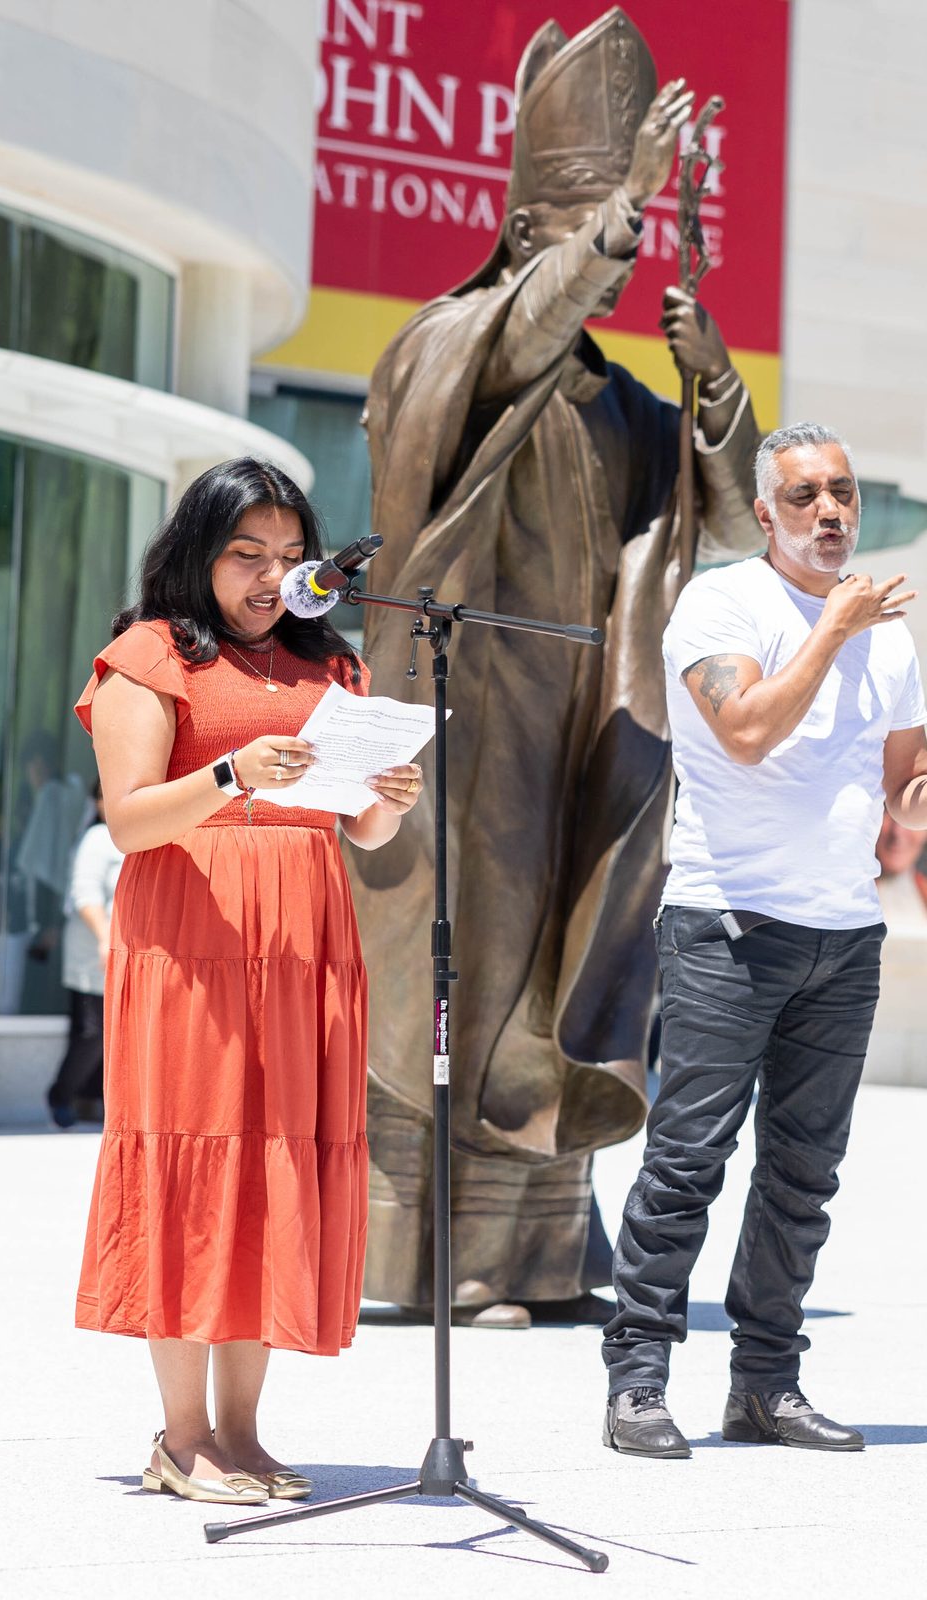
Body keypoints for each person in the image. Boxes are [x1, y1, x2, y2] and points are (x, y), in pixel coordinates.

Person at [354, 12, 764, 1325]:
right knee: (469, 974)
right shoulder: (453, 348)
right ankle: (444, 1263)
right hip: (467, 712)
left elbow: (737, 526)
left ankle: (542, 1251)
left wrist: (711, 394)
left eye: (628, 224)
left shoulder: (618, 408)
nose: (620, 252)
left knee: (571, 974)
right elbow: (521, 330)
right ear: (531, 231)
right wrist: (624, 209)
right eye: (593, 221)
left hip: (591, 715)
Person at [74, 457, 424, 1506]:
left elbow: (360, 828)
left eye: (287, 556)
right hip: (192, 931)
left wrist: (391, 798)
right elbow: (130, 819)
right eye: (246, 556)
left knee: (271, 1166)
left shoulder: (333, 667)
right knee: (194, 1163)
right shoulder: (150, 655)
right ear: (199, 553)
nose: (270, 578)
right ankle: (183, 1440)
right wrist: (233, 772)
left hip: (305, 932)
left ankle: (242, 1430)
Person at [601, 424, 927, 1457]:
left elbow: (900, 792)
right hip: (727, 922)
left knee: (802, 1173)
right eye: (803, 497)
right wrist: (831, 629)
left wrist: (916, 802)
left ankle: (765, 1385)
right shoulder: (721, 603)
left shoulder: (893, 633)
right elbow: (742, 731)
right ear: (764, 512)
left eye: (841, 492)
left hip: (843, 932)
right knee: (689, 1157)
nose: (828, 512)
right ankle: (638, 1381)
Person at [45, 782, 124, 1128]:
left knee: (110, 1034)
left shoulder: (130, 836)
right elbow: (85, 895)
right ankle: (60, 1096)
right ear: (98, 803)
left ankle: (92, 1100)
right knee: (91, 1033)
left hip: (120, 955)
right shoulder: (97, 838)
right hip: (94, 955)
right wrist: (104, 937)